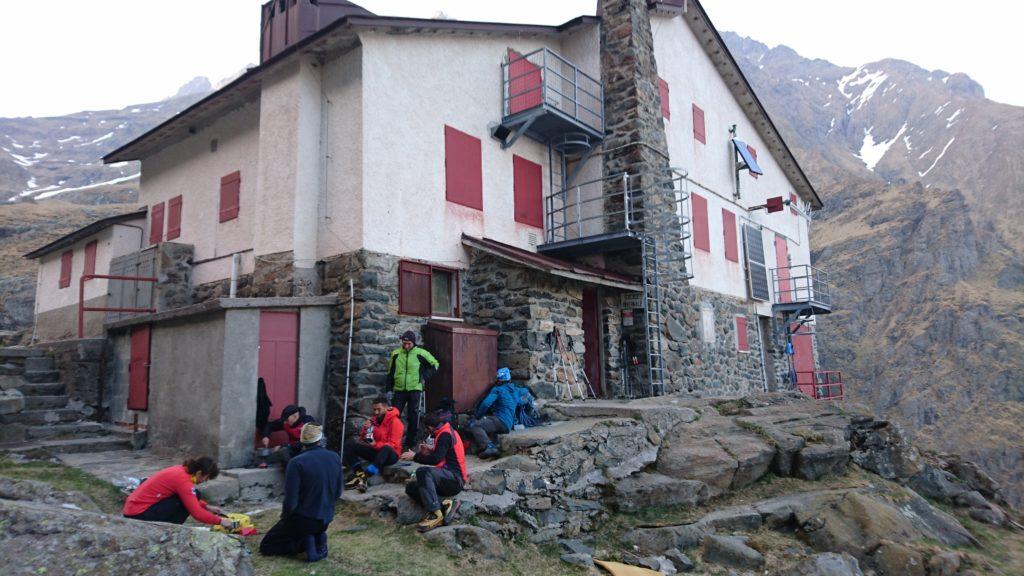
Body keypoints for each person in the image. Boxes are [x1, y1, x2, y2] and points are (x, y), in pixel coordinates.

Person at [259, 423, 342, 563]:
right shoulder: (335, 457)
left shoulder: (296, 462)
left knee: (267, 545)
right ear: (320, 439)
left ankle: (306, 543)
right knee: (301, 527)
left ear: (301, 440)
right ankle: (318, 537)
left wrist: (285, 519)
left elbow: (291, 502)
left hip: (304, 519)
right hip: (326, 518)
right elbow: (338, 492)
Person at [123, 456, 235, 529]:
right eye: (206, 478)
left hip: (134, 509)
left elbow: (187, 496)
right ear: (199, 473)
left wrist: (207, 506)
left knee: (194, 495)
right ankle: (171, 529)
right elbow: (197, 514)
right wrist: (220, 521)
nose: (204, 482)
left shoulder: (181, 470)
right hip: (138, 514)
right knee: (191, 498)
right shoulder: (183, 480)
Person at [400, 411, 467, 533]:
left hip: (455, 480)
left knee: (423, 472)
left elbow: (436, 459)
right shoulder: (445, 431)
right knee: (411, 488)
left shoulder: (445, 435)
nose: (428, 433)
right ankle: (446, 505)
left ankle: (436, 514)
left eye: (427, 429)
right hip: (446, 477)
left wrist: (415, 456)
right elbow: (442, 455)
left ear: (429, 427)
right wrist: (430, 450)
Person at [386, 330, 440, 450]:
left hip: (415, 389)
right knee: (394, 416)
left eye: (408, 343)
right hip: (399, 390)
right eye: (404, 343)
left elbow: (435, 365)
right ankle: (393, 442)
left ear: (413, 343)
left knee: (413, 416)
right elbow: (390, 373)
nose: (406, 346)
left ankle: (410, 443)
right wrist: (388, 390)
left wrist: (424, 376)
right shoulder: (395, 354)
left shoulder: (421, 353)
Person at [343, 395, 404, 492]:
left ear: (386, 408)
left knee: (386, 448)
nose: (376, 412)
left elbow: (393, 444)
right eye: (374, 410)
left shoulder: (396, 422)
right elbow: (364, 438)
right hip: (376, 451)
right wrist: (365, 429)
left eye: (378, 409)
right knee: (350, 444)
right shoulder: (374, 420)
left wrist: (375, 444)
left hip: (391, 455)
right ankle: (359, 474)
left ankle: (365, 477)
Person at [468, 367, 518, 459]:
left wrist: (477, 416)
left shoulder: (498, 389)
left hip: (500, 420)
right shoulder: (514, 391)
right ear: (509, 379)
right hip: (509, 424)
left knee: (476, 425)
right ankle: (485, 447)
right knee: (488, 421)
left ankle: (489, 446)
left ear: (499, 379)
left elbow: (486, 404)